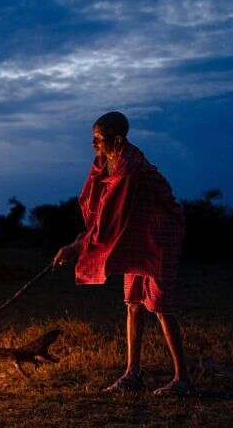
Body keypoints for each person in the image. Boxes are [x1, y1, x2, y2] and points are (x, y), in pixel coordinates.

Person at [52, 111, 192, 396]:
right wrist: (80, 242)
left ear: (116, 140)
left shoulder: (129, 167)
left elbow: (110, 219)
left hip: (158, 234)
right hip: (136, 234)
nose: (93, 144)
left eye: (98, 139)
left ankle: (182, 380)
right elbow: (101, 210)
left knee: (161, 306)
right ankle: (133, 374)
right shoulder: (107, 162)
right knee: (133, 303)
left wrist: (78, 247)